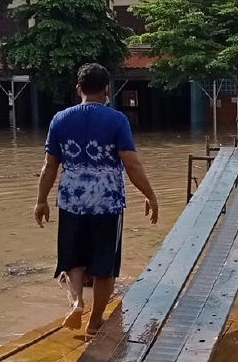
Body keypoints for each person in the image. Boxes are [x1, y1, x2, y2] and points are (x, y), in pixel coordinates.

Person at [36, 63, 159, 334]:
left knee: (73, 258)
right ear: (107, 90)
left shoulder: (60, 120)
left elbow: (49, 166)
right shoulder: (117, 120)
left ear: (78, 89)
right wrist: (150, 195)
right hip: (107, 203)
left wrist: (41, 200)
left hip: (71, 202)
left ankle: (77, 303)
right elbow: (131, 164)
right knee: (105, 265)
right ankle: (94, 323)